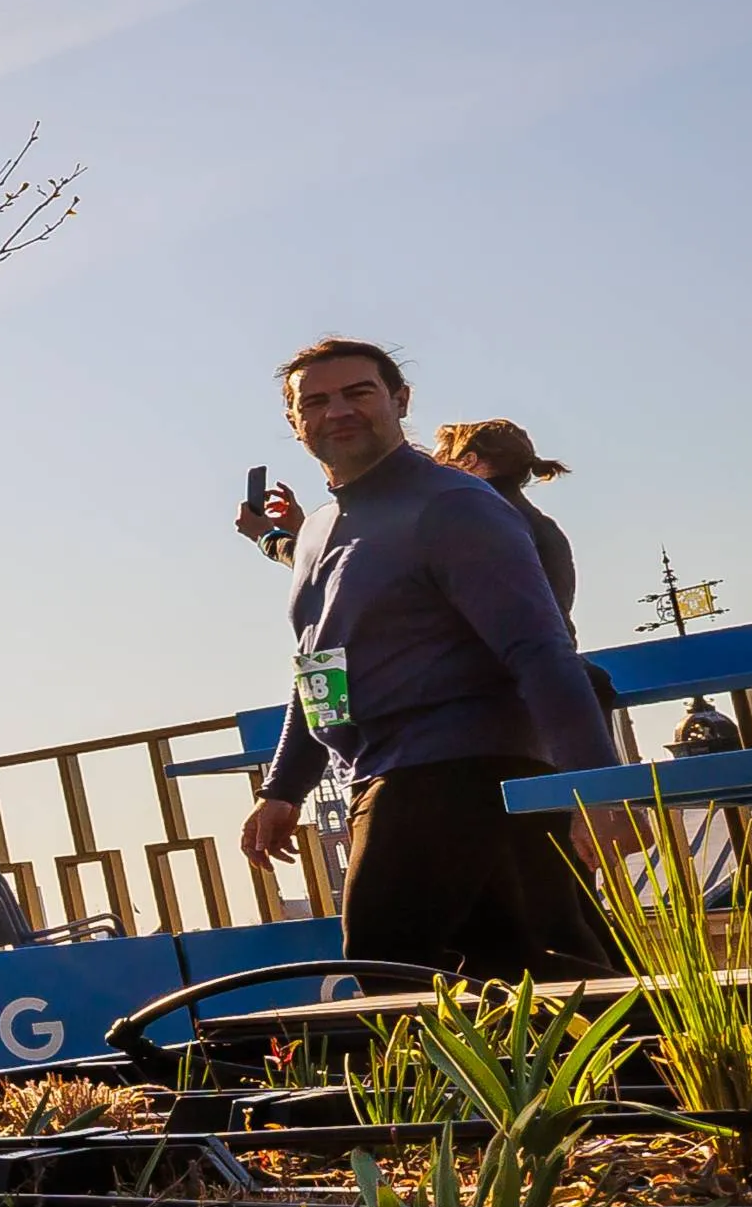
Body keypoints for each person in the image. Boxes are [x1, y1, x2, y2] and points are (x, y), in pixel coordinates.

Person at [240, 340, 612, 982]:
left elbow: (541, 649)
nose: (339, 412)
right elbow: (321, 670)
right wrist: (283, 788)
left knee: (393, 970)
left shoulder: (452, 504)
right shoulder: (323, 527)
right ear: (295, 421)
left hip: (455, 771)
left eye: (359, 393)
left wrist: (598, 789)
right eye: (317, 401)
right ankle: (656, 1081)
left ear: (400, 400)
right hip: (389, 771)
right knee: (540, 975)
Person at [432, 418, 580, 625]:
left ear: (468, 460)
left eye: (439, 460)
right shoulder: (544, 526)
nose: (431, 472)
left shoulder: (473, 520)